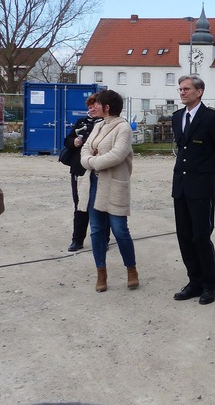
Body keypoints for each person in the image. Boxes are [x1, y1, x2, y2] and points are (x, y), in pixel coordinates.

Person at [170, 75, 215, 305]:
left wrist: (206, 175)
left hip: (201, 187)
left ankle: (209, 284)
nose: (182, 92)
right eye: (180, 89)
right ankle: (194, 281)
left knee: (201, 236)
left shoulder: (211, 118)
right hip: (181, 186)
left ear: (200, 91)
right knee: (184, 236)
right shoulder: (177, 117)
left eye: (186, 89)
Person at [77, 90, 139, 292]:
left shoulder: (123, 128)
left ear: (108, 107)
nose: (94, 107)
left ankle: (131, 269)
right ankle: (101, 272)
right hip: (94, 185)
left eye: (98, 103)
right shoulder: (97, 126)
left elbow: (117, 155)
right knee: (96, 230)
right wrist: (89, 160)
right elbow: (85, 149)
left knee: (120, 230)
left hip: (113, 186)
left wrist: (92, 162)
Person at [64, 93, 103, 252]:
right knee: (80, 205)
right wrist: (74, 141)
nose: (91, 109)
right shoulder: (82, 122)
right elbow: (67, 141)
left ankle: (102, 239)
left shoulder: (106, 124)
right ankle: (77, 239)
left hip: (98, 170)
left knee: (100, 206)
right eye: (89, 106)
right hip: (79, 169)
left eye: (94, 105)